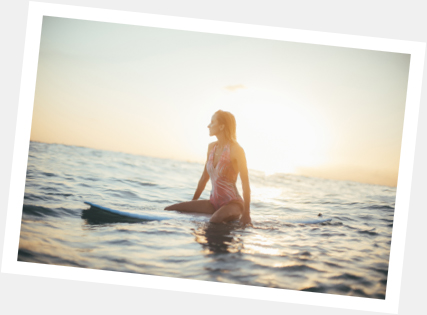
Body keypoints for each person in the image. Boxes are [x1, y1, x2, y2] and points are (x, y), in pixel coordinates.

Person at [165, 110, 251, 225]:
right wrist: (193, 203)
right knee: (171, 209)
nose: (208, 126)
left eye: (212, 122)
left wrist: (246, 214)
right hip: (213, 203)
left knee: (214, 221)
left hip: (233, 204)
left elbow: (245, 184)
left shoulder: (236, 150)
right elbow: (204, 178)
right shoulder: (211, 147)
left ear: (221, 126)